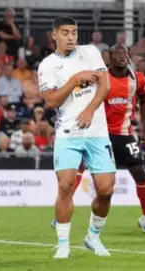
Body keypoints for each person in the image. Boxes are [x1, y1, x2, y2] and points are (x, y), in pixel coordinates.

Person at [38, 16, 115, 259]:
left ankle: (93, 236)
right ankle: (63, 243)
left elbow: (106, 86)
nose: (71, 37)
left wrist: (90, 109)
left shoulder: (91, 52)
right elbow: (51, 101)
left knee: (106, 190)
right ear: (54, 35)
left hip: (97, 131)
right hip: (67, 134)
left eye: (74, 32)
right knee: (65, 186)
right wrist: (75, 79)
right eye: (65, 32)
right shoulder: (48, 65)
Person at [104, 44, 145, 234]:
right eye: (117, 53)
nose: (122, 56)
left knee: (141, 176)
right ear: (109, 57)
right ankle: (65, 215)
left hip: (126, 136)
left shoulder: (138, 78)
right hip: (102, 137)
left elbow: (144, 100)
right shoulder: (101, 78)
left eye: (125, 53)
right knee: (104, 185)